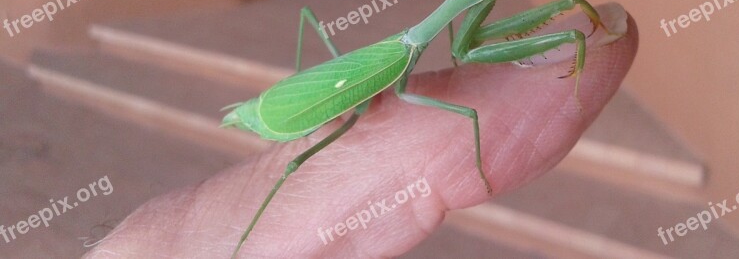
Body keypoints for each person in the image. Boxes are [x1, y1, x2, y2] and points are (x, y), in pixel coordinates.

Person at [86, 16, 637, 258]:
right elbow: (468, 104)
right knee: (298, 165)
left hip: (310, 95)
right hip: (293, 106)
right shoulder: (408, 51)